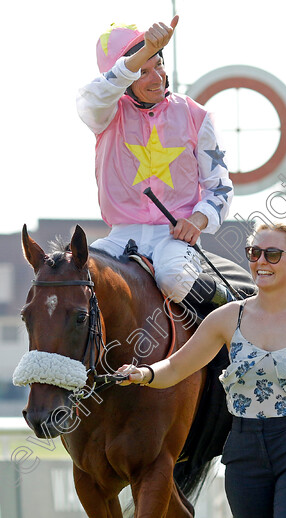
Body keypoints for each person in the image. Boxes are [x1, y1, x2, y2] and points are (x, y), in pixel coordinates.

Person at [117, 218, 286, 517]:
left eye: (273, 255)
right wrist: (144, 374)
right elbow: (176, 368)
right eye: (254, 253)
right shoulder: (227, 318)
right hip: (244, 452)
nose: (261, 262)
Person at [77, 16, 239, 314]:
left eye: (158, 65)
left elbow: (220, 188)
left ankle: (235, 317)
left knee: (173, 277)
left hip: (173, 238)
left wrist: (197, 221)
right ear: (124, 79)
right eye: (142, 71)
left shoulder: (196, 115)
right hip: (119, 236)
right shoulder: (105, 113)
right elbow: (91, 97)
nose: (157, 78)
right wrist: (144, 51)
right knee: (78, 279)